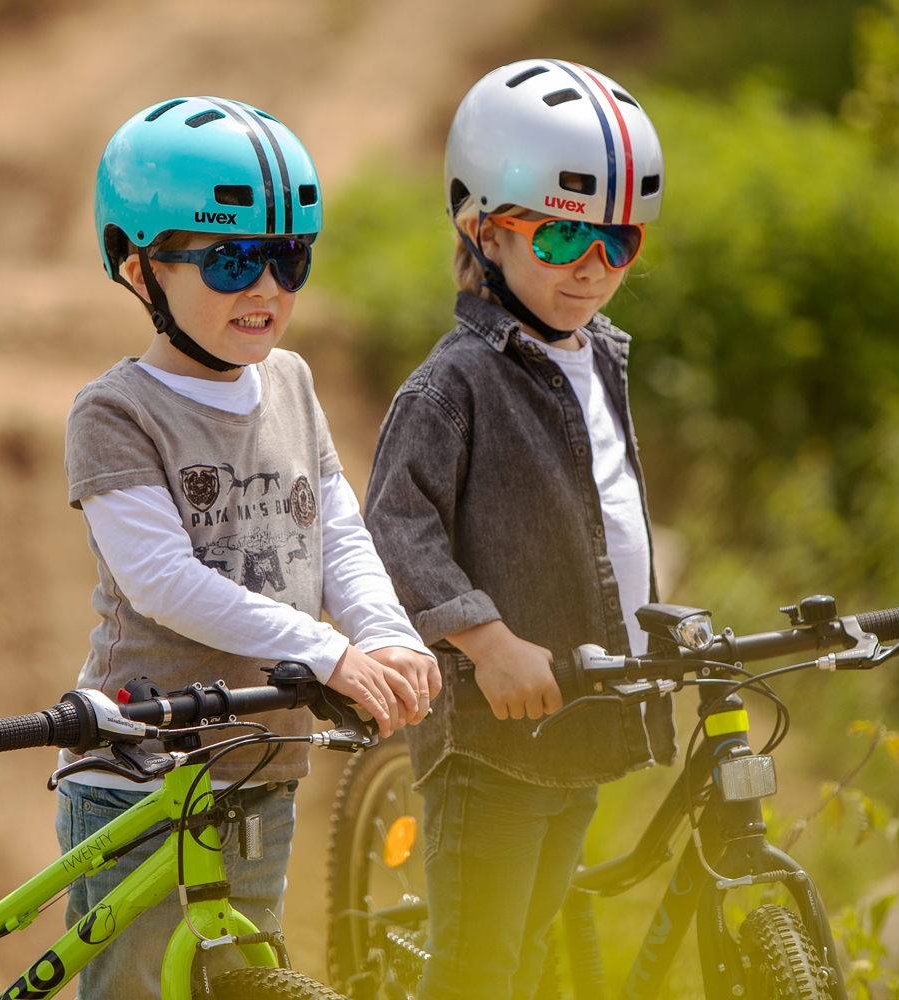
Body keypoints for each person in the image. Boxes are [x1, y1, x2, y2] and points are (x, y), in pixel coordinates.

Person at [58, 95, 440, 999]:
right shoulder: (116, 412)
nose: (265, 289)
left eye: (288, 258)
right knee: (141, 988)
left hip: (263, 761)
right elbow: (160, 580)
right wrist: (324, 650)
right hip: (141, 775)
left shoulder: (292, 382)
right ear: (138, 266)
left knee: (240, 975)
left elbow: (336, 529)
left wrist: (385, 632)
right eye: (231, 260)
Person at [363, 61, 675, 999]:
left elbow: (603, 509)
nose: (592, 267)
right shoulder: (454, 384)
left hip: (582, 720)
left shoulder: (599, 358)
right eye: (564, 233)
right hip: (491, 741)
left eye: (618, 241)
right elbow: (395, 525)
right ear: (485, 229)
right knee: (478, 971)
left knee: (528, 959)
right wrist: (488, 643)